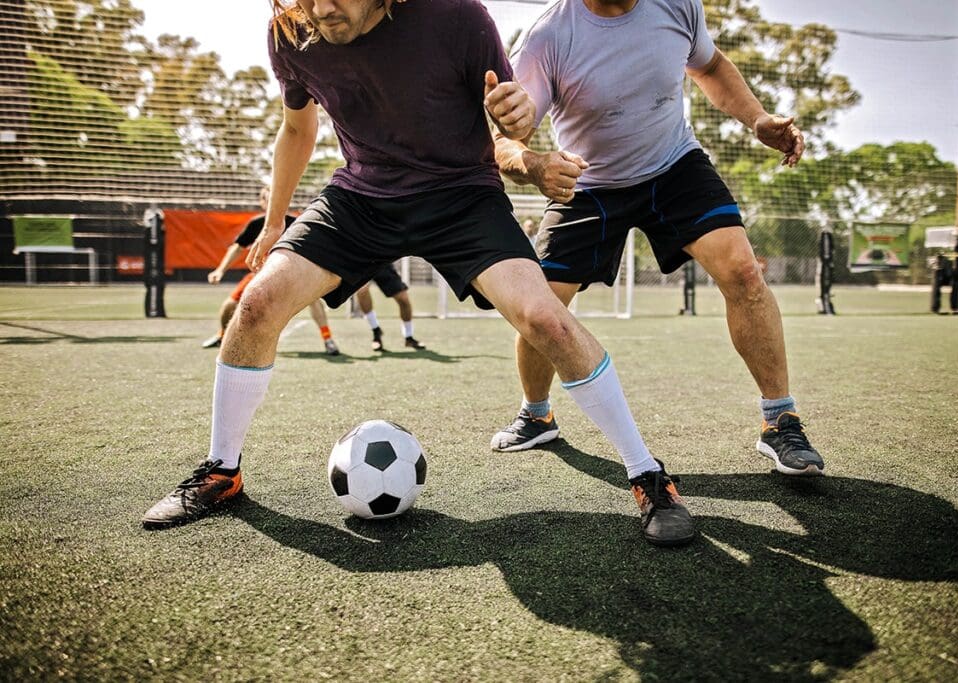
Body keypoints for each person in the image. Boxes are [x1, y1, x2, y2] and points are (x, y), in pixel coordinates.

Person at [141, 0, 693, 546]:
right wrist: (271, 224)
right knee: (257, 303)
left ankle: (647, 473)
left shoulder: (458, 16)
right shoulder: (291, 34)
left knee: (545, 319)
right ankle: (221, 471)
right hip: (361, 197)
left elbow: (506, 129)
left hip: (461, 198)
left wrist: (521, 132)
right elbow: (295, 129)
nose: (322, 7)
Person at [489, 0, 824, 477]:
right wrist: (535, 164)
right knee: (543, 306)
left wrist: (759, 120)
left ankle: (781, 422)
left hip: (673, 167)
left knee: (744, 271)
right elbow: (506, 141)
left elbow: (710, 66)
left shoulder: (677, 5)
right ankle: (537, 414)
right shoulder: (549, 37)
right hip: (590, 182)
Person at [202, 187, 340, 356]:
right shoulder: (256, 224)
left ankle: (328, 340)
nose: (274, 202)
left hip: (291, 274)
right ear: (262, 202)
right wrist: (220, 270)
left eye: (277, 197)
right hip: (261, 273)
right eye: (269, 199)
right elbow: (237, 248)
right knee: (229, 305)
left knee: (313, 301)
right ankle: (222, 336)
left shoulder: (298, 223)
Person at [355, 263, 426, 351]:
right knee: (362, 290)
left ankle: (409, 338)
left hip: (380, 259)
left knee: (403, 298)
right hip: (361, 261)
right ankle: (376, 332)